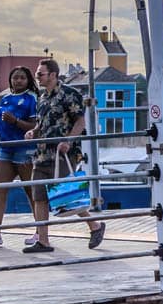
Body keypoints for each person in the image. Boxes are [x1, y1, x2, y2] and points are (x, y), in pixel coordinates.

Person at [23, 58, 105, 254]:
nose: (37, 77)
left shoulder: (69, 94)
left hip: (62, 154)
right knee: (39, 197)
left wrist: (68, 141)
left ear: (53, 74)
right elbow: (42, 123)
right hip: (42, 154)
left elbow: (80, 121)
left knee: (66, 196)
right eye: (37, 74)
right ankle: (43, 241)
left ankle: (95, 226)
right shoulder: (42, 97)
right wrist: (34, 131)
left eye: (40, 74)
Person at [0, 66, 38, 246]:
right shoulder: (5, 99)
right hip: (5, 149)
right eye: (15, 78)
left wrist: (16, 121)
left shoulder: (31, 99)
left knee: (30, 191)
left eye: (22, 78)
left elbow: (35, 126)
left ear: (28, 80)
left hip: (24, 149)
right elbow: (1, 131)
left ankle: (40, 231)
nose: (18, 81)